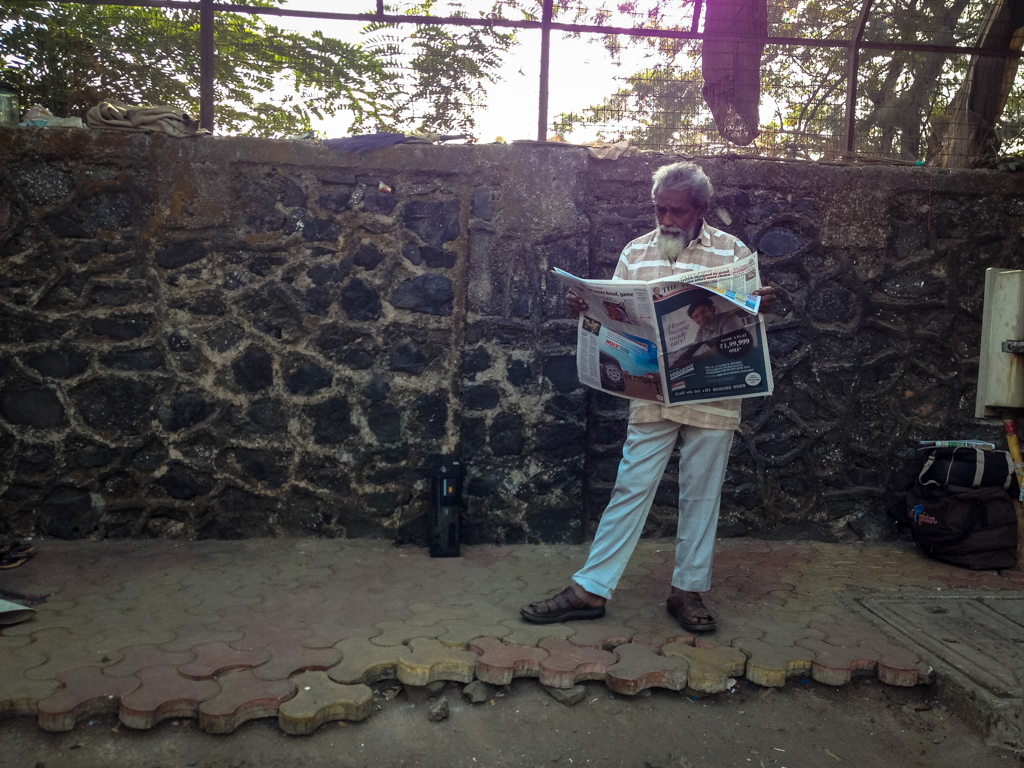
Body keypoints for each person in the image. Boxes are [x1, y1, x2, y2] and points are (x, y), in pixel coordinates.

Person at [520, 161, 776, 632]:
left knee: (702, 492)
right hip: (653, 388)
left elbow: (746, 316)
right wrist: (587, 307)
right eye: (660, 209)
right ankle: (590, 589)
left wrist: (760, 304)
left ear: (700, 209)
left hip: (711, 388)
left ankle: (688, 591)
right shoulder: (636, 253)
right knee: (631, 485)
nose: (667, 220)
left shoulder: (733, 252)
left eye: (677, 211)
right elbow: (616, 319)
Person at [670, 296, 745, 367]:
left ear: (712, 308)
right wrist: (682, 358)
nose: (701, 318)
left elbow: (728, 346)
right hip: (723, 361)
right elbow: (693, 348)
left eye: (703, 312)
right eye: (696, 316)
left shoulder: (729, 319)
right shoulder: (702, 330)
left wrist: (692, 360)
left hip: (740, 359)